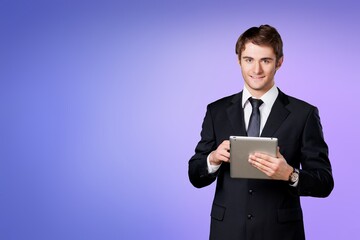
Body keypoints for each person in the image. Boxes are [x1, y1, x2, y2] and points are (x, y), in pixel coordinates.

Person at [188, 24, 334, 240]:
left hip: (280, 233)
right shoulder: (216, 111)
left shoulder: (304, 114)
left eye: (265, 60)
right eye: (249, 60)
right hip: (227, 231)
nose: (256, 70)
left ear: (279, 62)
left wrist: (290, 174)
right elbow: (195, 175)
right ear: (239, 60)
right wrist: (213, 159)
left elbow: (324, 182)